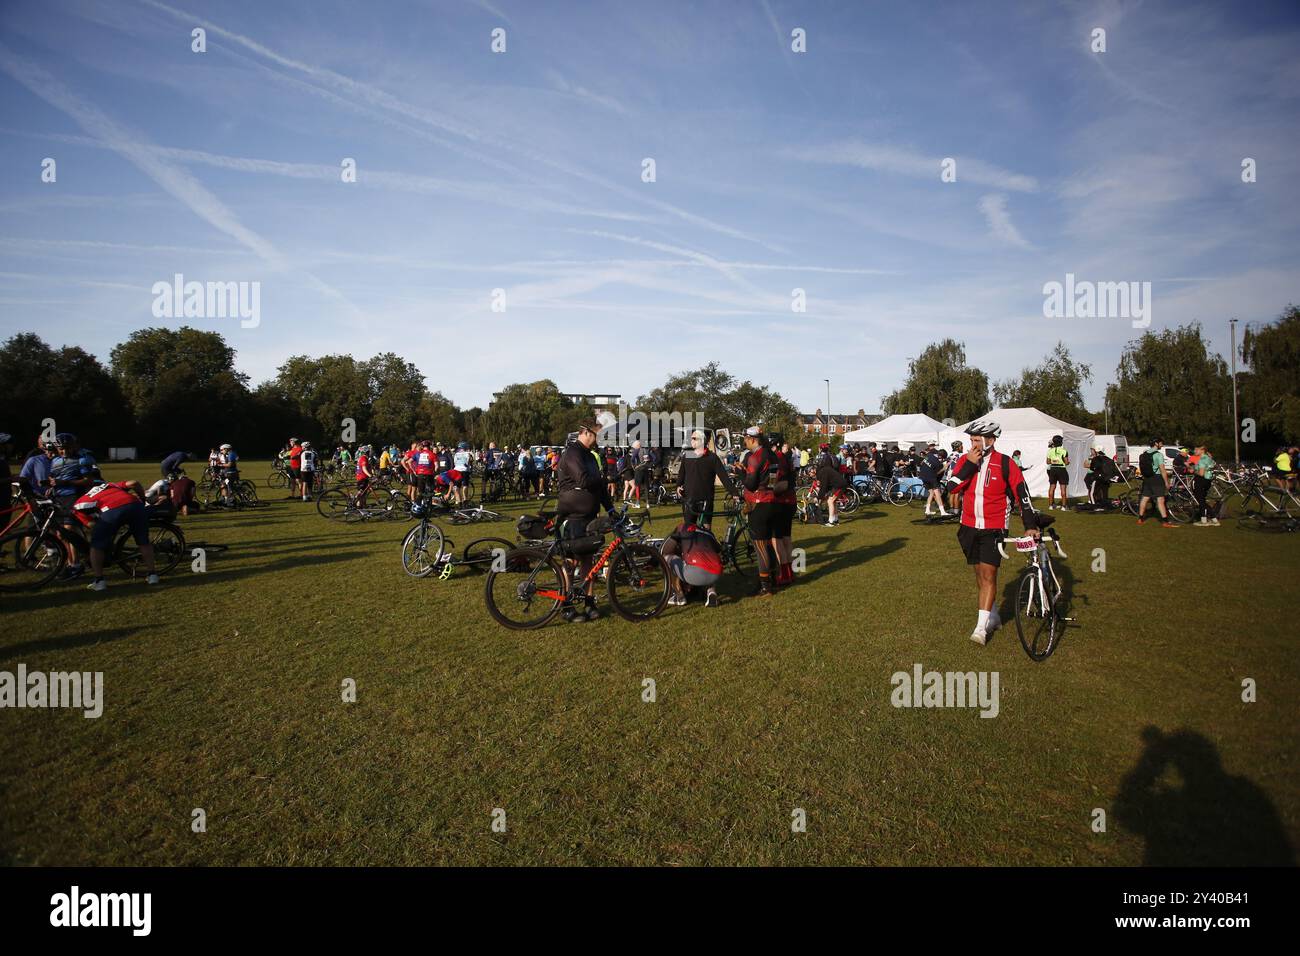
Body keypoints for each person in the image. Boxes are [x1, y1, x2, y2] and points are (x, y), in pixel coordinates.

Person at [945, 419, 1039, 645]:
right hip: (968, 527)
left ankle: (981, 629)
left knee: (988, 575)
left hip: (994, 528)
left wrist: (1029, 525)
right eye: (971, 439)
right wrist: (969, 464)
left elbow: (1022, 497)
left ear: (991, 440)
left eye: (977, 440)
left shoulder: (1006, 464)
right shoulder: (966, 461)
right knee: (979, 574)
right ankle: (994, 615)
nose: (973, 443)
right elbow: (952, 487)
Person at [555, 420, 616, 622]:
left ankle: (589, 602)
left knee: (589, 561)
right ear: (588, 433)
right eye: (598, 434)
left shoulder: (590, 456)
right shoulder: (572, 453)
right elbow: (582, 480)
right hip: (573, 516)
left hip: (589, 516)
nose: (599, 438)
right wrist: (604, 479)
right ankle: (567, 604)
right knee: (571, 561)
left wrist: (610, 508)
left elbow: (597, 487)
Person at [71, 479, 159, 591]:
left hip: (111, 510)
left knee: (96, 546)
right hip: (135, 505)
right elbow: (134, 483)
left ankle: (99, 580)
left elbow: (90, 524)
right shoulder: (110, 485)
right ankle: (152, 575)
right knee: (144, 542)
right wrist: (142, 498)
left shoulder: (81, 500)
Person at [740, 425, 782, 596]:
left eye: (745, 439)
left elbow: (750, 484)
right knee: (767, 544)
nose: (744, 442)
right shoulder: (772, 455)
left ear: (753, 439)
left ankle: (765, 585)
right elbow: (772, 481)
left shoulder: (755, 456)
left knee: (759, 545)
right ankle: (772, 579)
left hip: (759, 503)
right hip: (772, 501)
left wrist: (739, 472)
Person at [1136, 438, 1177, 528]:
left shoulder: (1145, 454)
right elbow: (1162, 470)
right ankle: (1165, 521)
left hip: (1147, 478)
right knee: (1160, 500)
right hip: (1157, 478)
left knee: (1145, 498)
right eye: (1161, 443)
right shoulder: (1158, 455)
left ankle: (1140, 518)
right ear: (1156, 443)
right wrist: (1167, 482)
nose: (1162, 445)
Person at [814, 442, 846, 526]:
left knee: (830, 501)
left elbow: (824, 487)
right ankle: (836, 520)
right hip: (841, 483)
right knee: (834, 501)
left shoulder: (823, 473)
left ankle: (831, 521)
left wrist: (819, 498)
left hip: (839, 485)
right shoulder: (825, 469)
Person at [1191, 444, 1219, 526]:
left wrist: (1193, 471)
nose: (1195, 451)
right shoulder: (1208, 458)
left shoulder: (1202, 460)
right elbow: (1213, 465)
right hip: (1208, 481)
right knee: (1202, 500)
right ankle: (1210, 520)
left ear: (1202, 450)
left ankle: (1208, 520)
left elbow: (1201, 473)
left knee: (1201, 501)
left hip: (1201, 481)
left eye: (1197, 450)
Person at [919, 442, 947, 517]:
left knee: (931, 493)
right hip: (931, 477)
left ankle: (927, 510)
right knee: (937, 493)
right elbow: (937, 473)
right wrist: (944, 468)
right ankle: (943, 512)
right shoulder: (939, 464)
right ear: (941, 457)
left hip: (922, 476)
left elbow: (922, 463)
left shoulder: (929, 455)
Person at [1045, 435, 1070, 510]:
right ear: (1061, 442)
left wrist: (1054, 461)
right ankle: (1064, 506)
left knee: (1052, 487)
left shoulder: (1050, 451)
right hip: (1061, 469)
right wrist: (1068, 462)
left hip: (1053, 469)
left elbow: (1048, 462)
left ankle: (1051, 505)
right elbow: (1066, 462)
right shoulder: (1064, 451)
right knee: (1063, 487)